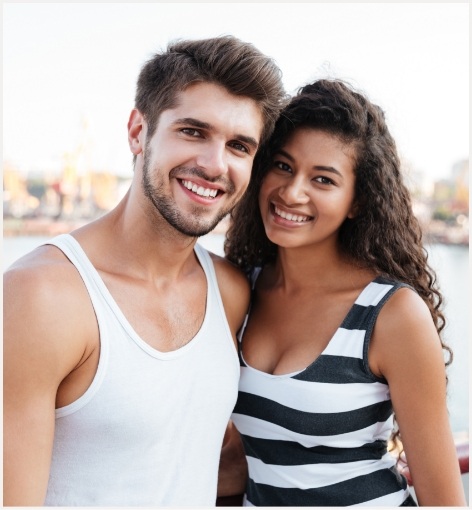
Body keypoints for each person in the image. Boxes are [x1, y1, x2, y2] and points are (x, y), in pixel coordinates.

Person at [3, 35, 287, 507]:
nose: (215, 164)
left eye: (238, 145)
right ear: (138, 131)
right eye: (193, 131)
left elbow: (191, 451)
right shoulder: (44, 296)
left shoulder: (231, 291)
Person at [223, 79, 467, 506]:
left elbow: (443, 499)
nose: (292, 192)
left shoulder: (391, 314)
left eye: (323, 179)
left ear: (358, 201)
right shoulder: (239, 290)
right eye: (282, 165)